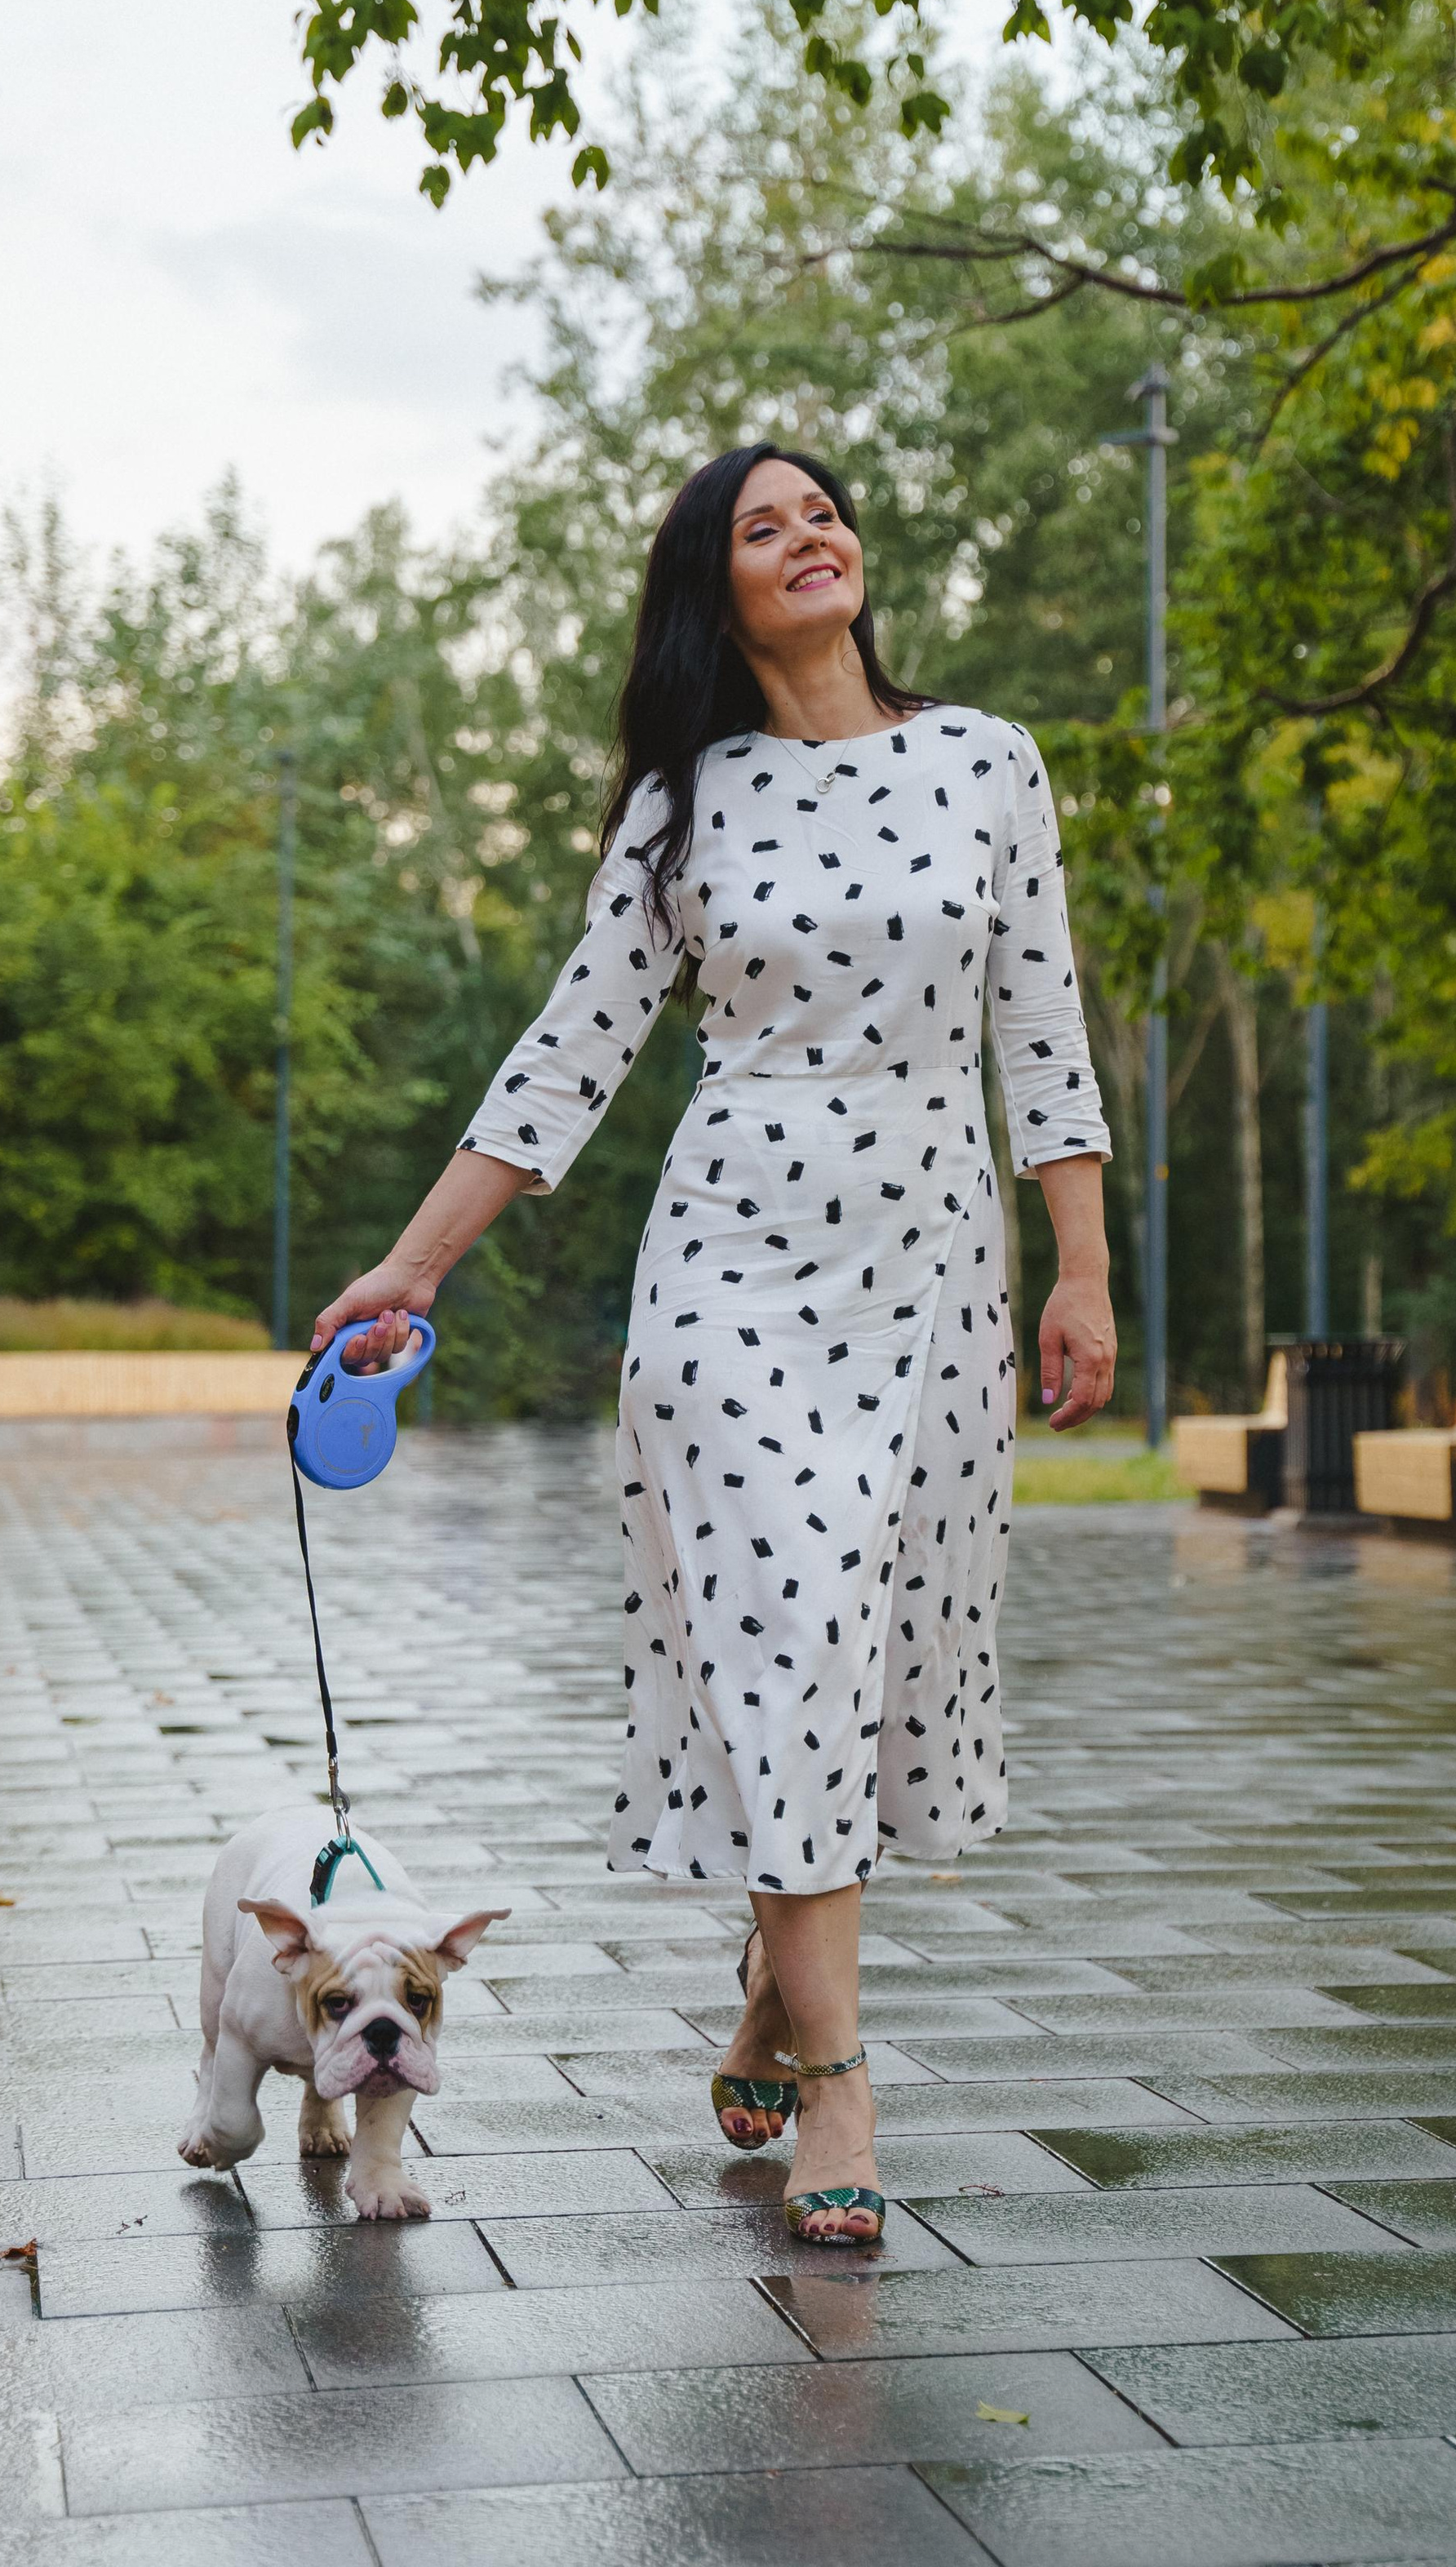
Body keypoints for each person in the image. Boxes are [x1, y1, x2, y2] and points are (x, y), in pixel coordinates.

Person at [311, 444, 1115, 2244]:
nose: (810, 536)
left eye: (823, 511)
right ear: (716, 588)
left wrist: (1080, 1269)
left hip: (930, 1276)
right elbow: (572, 1048)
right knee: (789, 1630)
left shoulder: (986, 761)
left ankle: (775, 1986)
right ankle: (839, 2085)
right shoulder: (687, 805)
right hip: (728, 1276)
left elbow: (1041, 1030)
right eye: (765, 527)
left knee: (864, 1657)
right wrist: (410, 1269)